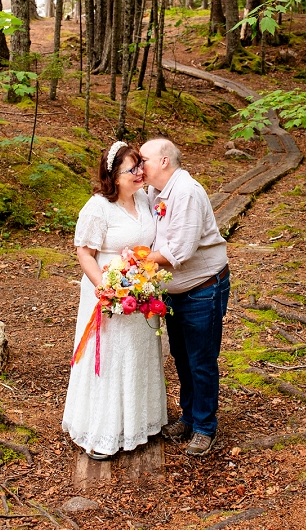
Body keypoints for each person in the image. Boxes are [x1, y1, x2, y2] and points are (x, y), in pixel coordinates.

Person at [62, 141, 167, 460]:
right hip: (107, 294)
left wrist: (142, 280)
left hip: (141, 292)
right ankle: (104, 431)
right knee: (110, 358)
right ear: (113, 176)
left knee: (137, 354)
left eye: (140, 166)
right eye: (132, 169)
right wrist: (105, 287)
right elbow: (84, 252)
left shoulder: (146, 199)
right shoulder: (97, 207)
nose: (140, 173)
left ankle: (140, 422)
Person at [140, 137, 230, 457]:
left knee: (201, 361)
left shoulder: (187, 192)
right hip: (174, 292)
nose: (139, 166)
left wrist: (134, 260)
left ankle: (205, 427)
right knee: (181, 357)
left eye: (144, 160)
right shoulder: (154, 191)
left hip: (202, 289)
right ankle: (189, 417)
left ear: (164, 161)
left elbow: (180, 250)